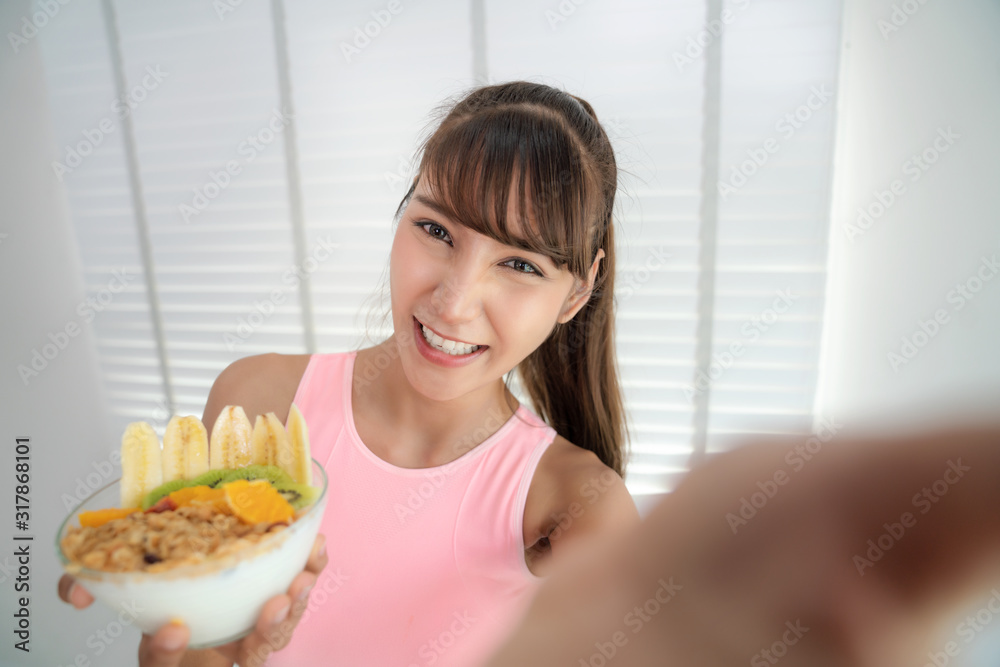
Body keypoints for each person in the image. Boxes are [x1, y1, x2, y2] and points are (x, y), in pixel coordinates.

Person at [58, 80, 643, 666]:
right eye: (436, 230)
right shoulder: (260, 407)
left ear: (577, 292)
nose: (454, 302)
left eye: (519, 264)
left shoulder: (577, 505)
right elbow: (200, 656)